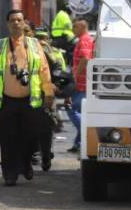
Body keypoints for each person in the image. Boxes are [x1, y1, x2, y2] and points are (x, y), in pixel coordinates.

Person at [0, 10, 55, 186]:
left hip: (31, 100)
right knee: (7, 139)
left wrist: (49, 92)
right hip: (6, 101)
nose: (16, 23)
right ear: (8, 24)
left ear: (24, 23)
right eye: (13, 20)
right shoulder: (0, 46)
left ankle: (26, 163)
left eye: (19, 20)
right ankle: (10, 174)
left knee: (30, 136)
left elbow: (44, 69)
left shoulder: (34, 44)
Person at [34, 28, 66, 170]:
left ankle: (46, 155)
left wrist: (60, 90)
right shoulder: (29, 51)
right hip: (31, 93)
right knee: (31, 125)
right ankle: (36, 153)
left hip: (47, 94)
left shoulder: (56, 53)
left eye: (43, 38)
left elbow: (63, 74)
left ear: (48, 40)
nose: (41, 41)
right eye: (38, 37)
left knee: (47, 125)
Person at [68, 17, 94, 153]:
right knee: (82, 111)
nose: (73, 30)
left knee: (71, 109)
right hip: (85, 83)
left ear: (83, 27)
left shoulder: (84, 40)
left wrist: (75, 75)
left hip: (82, 83)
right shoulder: (89, 39)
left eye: (75, 27)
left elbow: (85, 58)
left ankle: (86, 134)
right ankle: (78, 143)